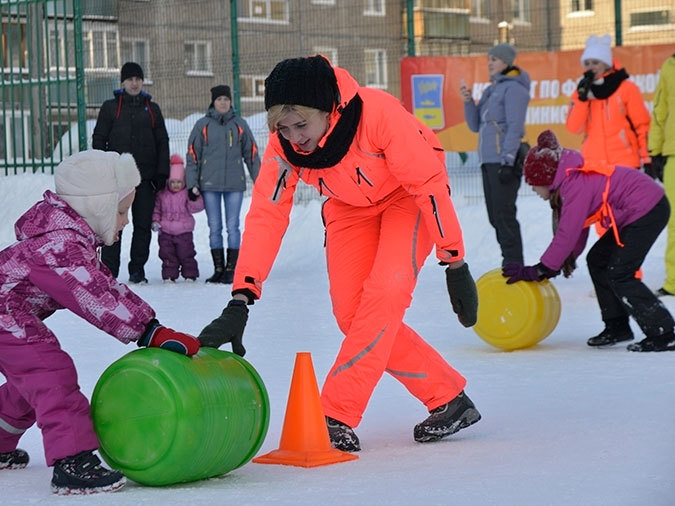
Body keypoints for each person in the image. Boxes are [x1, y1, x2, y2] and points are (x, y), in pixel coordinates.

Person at [198, 55, 481, 451]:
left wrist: (455, 261)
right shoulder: (284, 149)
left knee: (386, 293)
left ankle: (334, 413)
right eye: (283, 126)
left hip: (407, 197)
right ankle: (449, 398)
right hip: (348, 206)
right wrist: (242, 296)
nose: (295, 137)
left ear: (328, 109)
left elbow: (428, 185)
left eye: (302, 124)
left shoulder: (377, 114)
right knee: (353, 313)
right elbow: (267, 212)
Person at [0, 150, 200, 494]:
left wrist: (151, 326)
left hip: (12, 314)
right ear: (96, 207)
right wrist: (148, 331)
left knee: (28, 382)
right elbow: (97, 299)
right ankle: (72, 460)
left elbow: (104, 284)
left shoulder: (68, 239)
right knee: (50, 372)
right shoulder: (60, 246)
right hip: (7, 316)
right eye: (120, 211)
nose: (124, 221)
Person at [502, 130, 675, 352]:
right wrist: (554, 266)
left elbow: (567, 233)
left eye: (534, 185)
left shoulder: (574, 186)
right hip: (639, 210)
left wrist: (542, 269)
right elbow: (576, 234)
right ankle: (616, 326)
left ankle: (665, 332)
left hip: (648, 208)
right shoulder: (571, 181)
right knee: (598, 260)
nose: (535, 191)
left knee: (620, 273)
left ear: (545, 178)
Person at [92, 61, 170, 284]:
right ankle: (109, 272)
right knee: (114, 226)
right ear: (122, 82)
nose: (134, 83)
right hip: (118, 180)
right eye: (130, 79)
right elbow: (99, 138)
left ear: (142, 81)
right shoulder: (110, 107)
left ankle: (137, 269)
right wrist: (104, 168)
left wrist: (161, 173)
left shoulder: (152, 109)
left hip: (146, 179)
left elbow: (162, 141)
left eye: (138, 79)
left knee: (143, 226)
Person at [460, 42, 530, 267]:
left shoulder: (515, 89)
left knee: (504, 215)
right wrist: (468, 101)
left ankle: (514, 264)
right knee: (495, 217)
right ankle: (509, 262)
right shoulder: (492, 90)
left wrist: (508, 161)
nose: (489, 63)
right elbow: (474, 125)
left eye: (494, 59)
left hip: (503, 161)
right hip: (488, 161)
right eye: (488, 59)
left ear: (507, 63)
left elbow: (514, 127)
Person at [185, 85, 260, 284]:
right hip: (209, 185)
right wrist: (191, 183)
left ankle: (231, 268)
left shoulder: (240, 124)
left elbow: (251, 154)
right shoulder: (202, 125)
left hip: (234, 184)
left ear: (230, 102)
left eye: (226, 99)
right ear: (213, 102)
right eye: (220, 99)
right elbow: (193, 155)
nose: (223, 103)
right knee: (215, 227)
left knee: (233, 226)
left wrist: (260, 182)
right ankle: (218, 268)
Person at [566, 35, 651, 170]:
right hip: (593, 164)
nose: (591, 67)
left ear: (606, 63)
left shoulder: (626, 88)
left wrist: (646, 157)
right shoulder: (582, 91)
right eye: (587, 63)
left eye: (595, 62)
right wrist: (582, 100)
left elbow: (642, 125)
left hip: (624, 162)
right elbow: (574, 128)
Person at [152, 154, 204, 283]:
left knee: (186, 253)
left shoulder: (186, 193)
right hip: (166, 231)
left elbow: (195, 208)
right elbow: (157, 209)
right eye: (173, 182)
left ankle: (190, 274)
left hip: (184, 230)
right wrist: (155, 221)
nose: (176, 185)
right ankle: (169, 275)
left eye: (179, 182)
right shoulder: (162, 194)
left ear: (184, 182)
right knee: (167, 254)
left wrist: (195, 197)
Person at [648, 53, 675, 296]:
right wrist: (654, 149)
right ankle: (674, 281)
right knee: (674, 221)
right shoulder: (669, 65)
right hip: (673, 153)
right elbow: (660, 109)